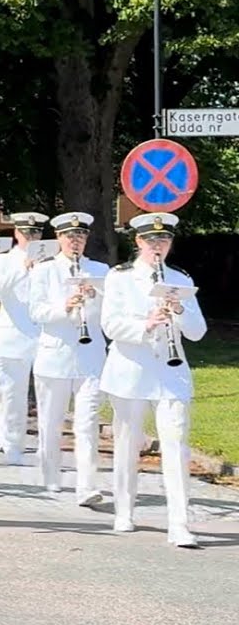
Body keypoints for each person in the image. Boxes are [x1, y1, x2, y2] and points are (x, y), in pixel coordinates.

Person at [100, 212, 206, 548]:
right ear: (138, 242)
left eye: (164, 240)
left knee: (176, 445)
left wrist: (178, 310)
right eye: (151, 241)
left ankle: (179, 523)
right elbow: (110, 326)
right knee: (127, 443)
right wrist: (145, 324)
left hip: (170, 373)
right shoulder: (120, 278)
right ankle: (124, 509)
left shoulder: (180, 279)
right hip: (130, 371)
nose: (158, 246)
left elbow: (199, 332)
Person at [29, 212, 109, 505]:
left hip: (90, 357)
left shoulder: (100, 270)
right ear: (59, 239)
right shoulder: (44, 271)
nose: (75, 241)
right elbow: (36, 313)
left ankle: (87, 486)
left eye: (81, 236)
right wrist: (65, 305)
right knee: (51, 422)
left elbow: (112, 313)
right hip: (55, 356)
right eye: (69, 236)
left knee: (87, 423)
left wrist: (95, 296)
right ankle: (51, 475)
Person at [0, 212, 47, 464]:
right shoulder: (3, 260)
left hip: (44, 335)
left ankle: (46, 445)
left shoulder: (51, 261)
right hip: (14, 335)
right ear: (16, 234)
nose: (31, 237)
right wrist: (23, 268)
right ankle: (12, 443)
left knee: (47, 395)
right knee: (12, 393)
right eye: (26, 233)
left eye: (36, 233)